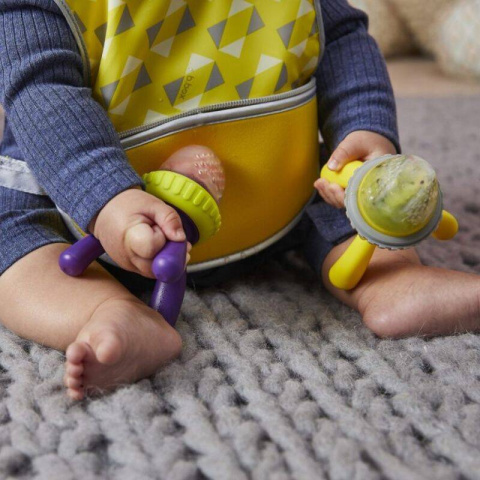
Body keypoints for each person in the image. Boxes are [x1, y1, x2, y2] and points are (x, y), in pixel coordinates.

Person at [0, 0, 478, 401]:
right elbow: (43, 95)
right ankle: (103, 311)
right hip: (97, 216)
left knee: (337, 189)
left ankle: (390, 279)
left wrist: (363, 128)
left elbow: (340, 41)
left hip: (278, 190)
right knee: (17, 232)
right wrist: (105, 196)